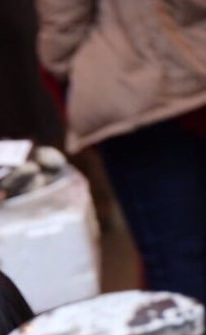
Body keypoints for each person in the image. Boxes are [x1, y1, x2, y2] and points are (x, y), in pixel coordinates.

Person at [35, 0, 206, 304]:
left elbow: (63, 24)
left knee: (175, 254)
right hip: (181, 76)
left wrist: (69, 66)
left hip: (135, 92)